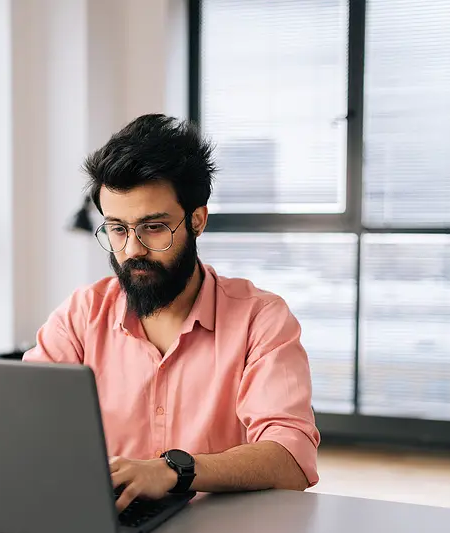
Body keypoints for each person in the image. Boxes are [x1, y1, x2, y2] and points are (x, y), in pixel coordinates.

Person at [24, 114, 320, 512]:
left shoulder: (261, 319)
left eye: (153, 228)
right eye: (117, 229)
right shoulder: (82, 314)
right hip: (108, 525)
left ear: (197, 221)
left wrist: (173, 471)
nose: (132, 250)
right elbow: (23, 420)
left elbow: (291, 457)